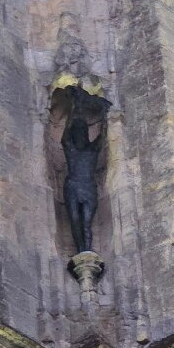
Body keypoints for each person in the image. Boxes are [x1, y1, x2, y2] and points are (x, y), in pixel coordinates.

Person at [62, 90, 107, 254]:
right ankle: (81, 250)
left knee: (86, 223)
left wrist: (106, 115)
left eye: (83, 130)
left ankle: (86, 251)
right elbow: (64, 138)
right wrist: (72, 112)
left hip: (88, 188)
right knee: (75, 220)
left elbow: (103, 134)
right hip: (73, 186)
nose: (80, 132)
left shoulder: (92, 149)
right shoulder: (71, 148)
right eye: (77, 130)